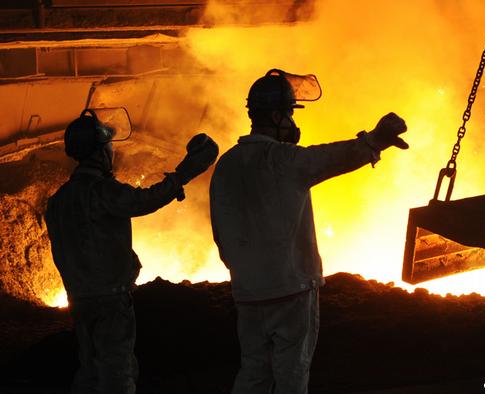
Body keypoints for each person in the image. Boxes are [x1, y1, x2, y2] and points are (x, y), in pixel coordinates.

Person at [209, 69, 409, 394]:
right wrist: (375, 140)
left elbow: (221, 231)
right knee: (292, 376)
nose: (291, 121)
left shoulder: (227, 164)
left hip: (248, 292)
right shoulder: (284, 160)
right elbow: (332, 157)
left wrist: (244, 272)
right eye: (288, 113)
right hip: (290, 290)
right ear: (276, 115)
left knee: (254, 373)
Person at [45, 109, 218, 394]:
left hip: (79, 298)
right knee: (117, 373)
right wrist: (182, 174)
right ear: (100, 152)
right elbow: (143, 201)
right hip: (110, 300)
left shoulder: (58, 201)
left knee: (89, 370)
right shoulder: (101, 191)